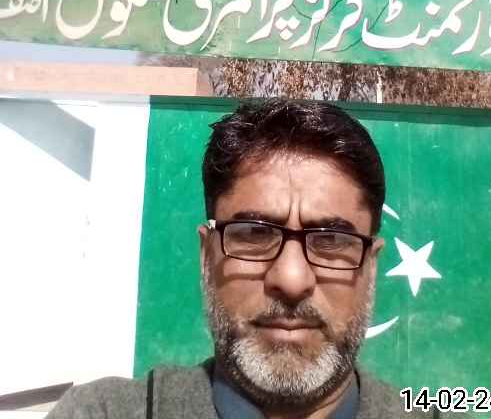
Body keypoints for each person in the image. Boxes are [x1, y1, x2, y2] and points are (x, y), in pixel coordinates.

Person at [48, 99, 439, 418]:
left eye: (331, 240)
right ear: (207, 256)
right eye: (254, 234)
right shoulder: (102, 412)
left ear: (371, 266)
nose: (291, 279)